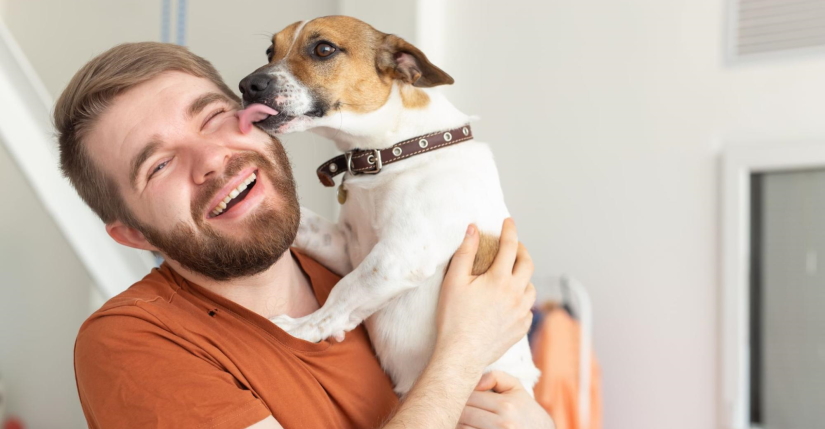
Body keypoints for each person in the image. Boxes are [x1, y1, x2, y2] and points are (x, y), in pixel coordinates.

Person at [55, 42, 554, 429]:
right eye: (159, 165)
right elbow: (463, 356)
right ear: (134, 235)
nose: (210, 159)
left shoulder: (357, 263)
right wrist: (461, 355)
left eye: (213, 118)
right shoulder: (133, 344)